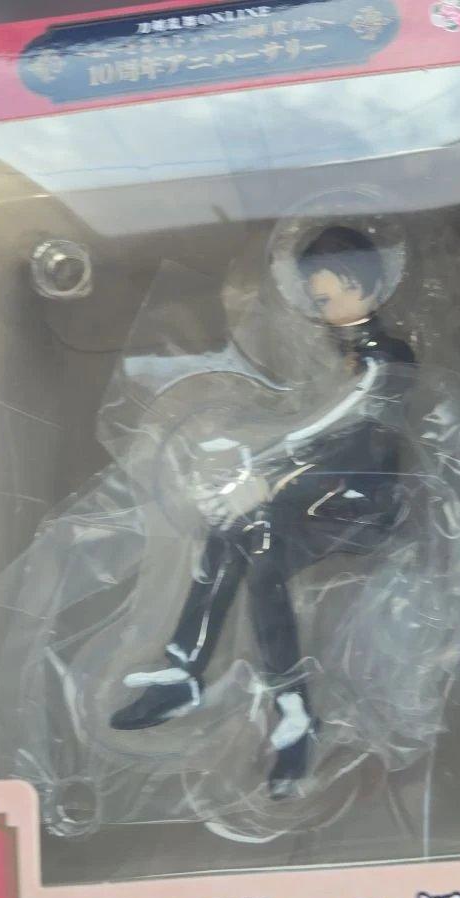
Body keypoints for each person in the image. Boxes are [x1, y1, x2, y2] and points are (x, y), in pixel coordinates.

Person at [110, 226, 415, 799]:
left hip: (363, 501)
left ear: (360, 286)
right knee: (232, 531)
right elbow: (313, 427)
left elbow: (341, 430)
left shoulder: (388, 356)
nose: (320, 311)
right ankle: (188, 672)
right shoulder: (343, 352)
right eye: (316, 300)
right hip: (320, 488)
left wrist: (267, 476)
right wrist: (249, 462)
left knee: (262, 542)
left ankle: (290, 708)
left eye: (325, 298)